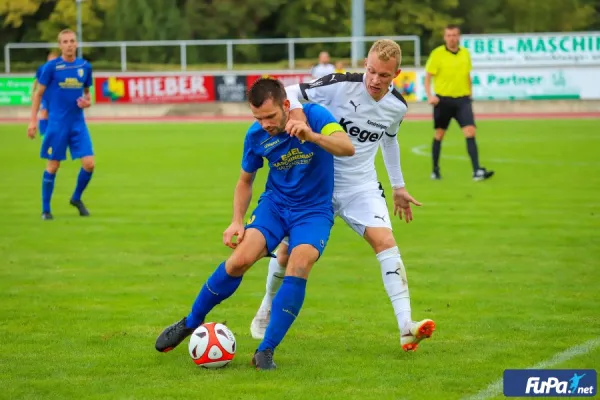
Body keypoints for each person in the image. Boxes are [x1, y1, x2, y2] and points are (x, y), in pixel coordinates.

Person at [154, 78, 355, 370]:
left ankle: (265, 350)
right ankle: (190, 322)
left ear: (286, 106)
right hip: (275, 206)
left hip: (313, 210)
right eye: (258, 118)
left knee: (299, 264)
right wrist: (236, 221)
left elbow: (347, 147)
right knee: (239, 261)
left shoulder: (315, 116)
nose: (264, 124)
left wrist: (312, 136)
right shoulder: (255, 135)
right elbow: (245, 181)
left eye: (270, 117)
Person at [250, 39, 436, 352]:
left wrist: (398, 186)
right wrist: (298, 118)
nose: (376, 80)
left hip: (360, 186)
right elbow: (291, 91)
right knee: (285, 254)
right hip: (313, 183)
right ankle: (266, 306)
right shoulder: (339, 84)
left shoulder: (397, 106)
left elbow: (389, 141)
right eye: (372, 71)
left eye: (385, 76)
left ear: (397, 75)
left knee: (386, 243)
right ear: (366, 64)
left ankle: (406, 326)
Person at [27, 29, 95, 220]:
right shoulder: (51, 68)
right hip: (57, 124)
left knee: (89, 164)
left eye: (72, 41)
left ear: (77, 44)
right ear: (60, 45)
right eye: (65, 42)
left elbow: (87, 93)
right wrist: (33, 120)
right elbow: (38, 94)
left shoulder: (85, 66)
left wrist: (87, 102)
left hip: (78, 124)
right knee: (53, 166)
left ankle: (76, 198)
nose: (69, 45)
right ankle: (46, 210)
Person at [424, 24, 494, 181]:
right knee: (439, 134)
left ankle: (476, 171)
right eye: (449, 35)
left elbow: (467, 75)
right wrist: (430, 96)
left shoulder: (465, 54)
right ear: (444, 37)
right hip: (443, 100)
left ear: (459, 36)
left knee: (470, 131)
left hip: (462, 100)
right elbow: (428, 77)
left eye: (454, 35)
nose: (452, 38)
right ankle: (435, 170)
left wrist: (470, 94)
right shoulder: (437, 54)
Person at [32, 51, 58, 137]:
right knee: (44, 112)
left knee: (54, 115)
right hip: (45, 95)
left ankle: (54, 134)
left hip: (56, 96)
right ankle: (44, 135)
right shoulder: (42, 68)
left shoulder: (59, 69)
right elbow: (36, 80)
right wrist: (33, 92)